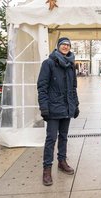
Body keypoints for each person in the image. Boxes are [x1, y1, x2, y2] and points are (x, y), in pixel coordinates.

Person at [37, 37, 80, 186]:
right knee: (51, 139)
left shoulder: (71, 65)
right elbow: (42, 87)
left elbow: (73, 87)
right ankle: (47, 169)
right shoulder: (48, 63)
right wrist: (44, 107)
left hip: (67, 107)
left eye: (68, 45)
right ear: (58, 46)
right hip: (53, 108)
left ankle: (62, 161)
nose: (66, 47)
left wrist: (76, 104)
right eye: (63, 45)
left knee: (64, 136)